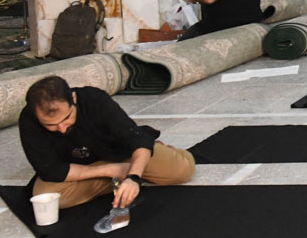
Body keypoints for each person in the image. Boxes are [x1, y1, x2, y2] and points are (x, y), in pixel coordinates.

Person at [19, 75, 195, 209]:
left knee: (182, 171)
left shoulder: (95, 100)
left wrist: (133, 177)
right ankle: (117, 177)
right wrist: (110, 170)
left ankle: (131, 172)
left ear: (73, 99)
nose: (62, 129)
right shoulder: (29, 120)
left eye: (66, 118)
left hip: (120, 154)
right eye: (51, 125)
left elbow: (134, 138)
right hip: (80, 166)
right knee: (47, 197)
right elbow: (51, 169)